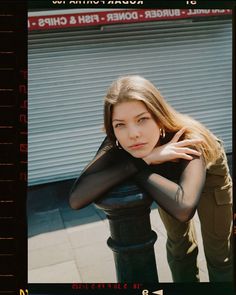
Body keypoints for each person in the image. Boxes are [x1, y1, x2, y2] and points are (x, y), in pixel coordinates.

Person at [69, 75, 233, 282]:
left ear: (159, 116)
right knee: (179, 247)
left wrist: (133, 166)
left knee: (219, 253)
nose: (133, 134)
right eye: (120, 124)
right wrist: (146, 160)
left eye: (142, 119)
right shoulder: (118, 140)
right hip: (166, 174)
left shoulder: (190, 139)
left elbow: (184, 208)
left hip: (210, 175)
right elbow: (76, 199)